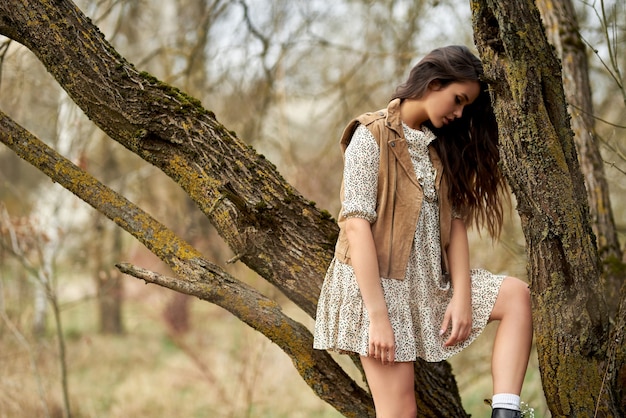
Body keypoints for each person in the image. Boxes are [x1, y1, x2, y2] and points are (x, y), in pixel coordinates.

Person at [313, 45, 533, 418]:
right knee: (400, 412)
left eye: (465, 106)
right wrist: (378, 317)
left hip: (430, 284)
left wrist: (462, 297)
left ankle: (506, 413)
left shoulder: (439, 146)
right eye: (457, 100)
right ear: (433, 83)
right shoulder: (370, 135)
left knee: (516, 296)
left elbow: (456, 225)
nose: (459, 113)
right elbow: (355, 225)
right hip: (379, 291)